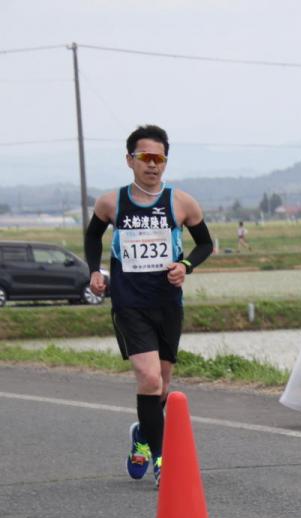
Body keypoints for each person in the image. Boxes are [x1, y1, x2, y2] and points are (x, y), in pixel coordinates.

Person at [84, 124, 212, 487]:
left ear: (165, 162)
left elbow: (205, 244)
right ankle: (161, 460)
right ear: (130, 160)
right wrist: (95, 270)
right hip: (129, 302)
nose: (152, 165)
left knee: (163, 385)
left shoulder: (181, 202)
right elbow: (93, 235)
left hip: (167, 303)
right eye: (145, 158)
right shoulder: (112, 202)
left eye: (159, 158)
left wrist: (185, 266)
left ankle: (143, 432)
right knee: (149, 378)